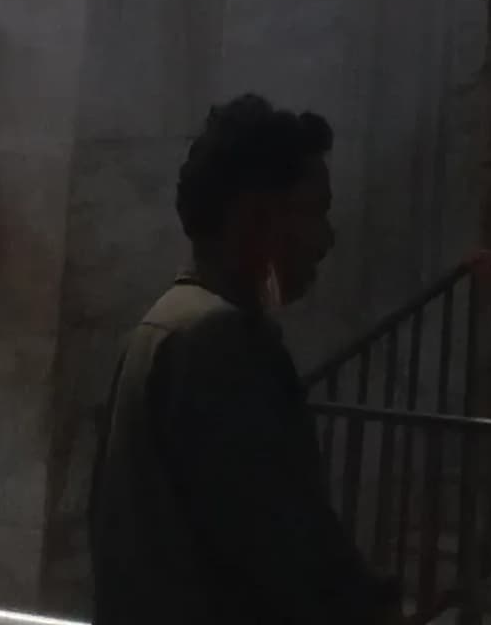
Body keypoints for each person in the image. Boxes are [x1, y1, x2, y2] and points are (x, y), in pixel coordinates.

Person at [88, 95, 392, 625]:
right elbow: (276, 546)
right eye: (314, 211)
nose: (326, 239)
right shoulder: (219, 339)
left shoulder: (166, 323)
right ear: (257, 218)